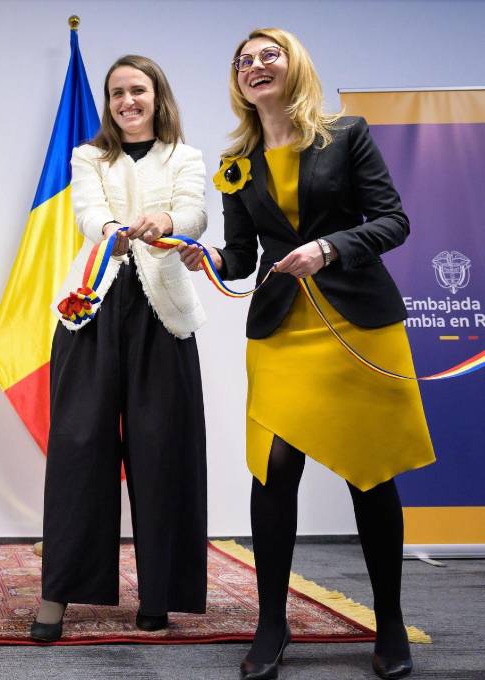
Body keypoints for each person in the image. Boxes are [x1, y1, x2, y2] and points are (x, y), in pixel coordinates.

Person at [180, 28, 435, 680]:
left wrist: (329, 248)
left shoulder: (346, 135)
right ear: (238, 82)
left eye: (270, 55)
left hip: (355, 322)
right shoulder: (238, 161)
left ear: (294, 67)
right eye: (244, 60)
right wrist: (206, 257)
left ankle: (387, 622)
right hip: (282, 330)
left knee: (369, 468)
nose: (256, 65)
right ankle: (272, 623)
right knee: (275, 468)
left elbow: (393, 221)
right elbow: (242, 256)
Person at [32, 55, 208, 642]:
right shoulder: (89, 156)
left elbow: (195, 211)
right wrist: (112, 231)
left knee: (163, 451)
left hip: (165, 320)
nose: (126, 101)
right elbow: (88, 211)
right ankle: (59, 591)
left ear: (158, 96)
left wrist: (168, 219)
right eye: (116, 94)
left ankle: (159, 596)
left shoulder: (186, 156)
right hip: (94, 311)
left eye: (137, 91)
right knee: (80, 447)